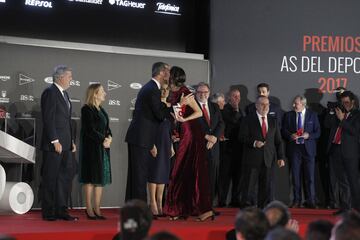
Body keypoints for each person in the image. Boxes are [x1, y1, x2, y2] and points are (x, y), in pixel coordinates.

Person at [164, 66, 214, 221]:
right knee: (182, 171)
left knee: (187, 170)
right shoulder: (171, 92)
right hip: (184, 133)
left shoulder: (185, 92)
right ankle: (179, 209)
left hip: (192, 134)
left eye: (168, 73)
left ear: (173, 76)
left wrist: (184, 119)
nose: (165, 75)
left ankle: (201, 210)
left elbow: (198, 112)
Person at [125, 62, 171, 202]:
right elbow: (159, 114)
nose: (169, 75)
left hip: (140, 137)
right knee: (140, 175)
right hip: (141, 138)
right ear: (162, 73)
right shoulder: (152, 89)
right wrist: (172, 106)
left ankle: (133, 206)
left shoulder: (149, 87)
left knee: (136, 175)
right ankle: (141, 209)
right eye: (168, 72)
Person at [40, 65, 77, 221]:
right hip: (53, 145)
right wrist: (55, 140)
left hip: (67, 144)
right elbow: (48, 119)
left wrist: (71, 141)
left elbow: (66, 120)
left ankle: (62, 210)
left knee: (64, 179)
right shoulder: (50, 93)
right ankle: (48, 212)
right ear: (60, 77)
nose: (71, 79)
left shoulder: (65, 94)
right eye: (69, 76)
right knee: (50, 178)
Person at [239, 96, 285, 209]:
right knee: (249, 187)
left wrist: (281, 157)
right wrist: (254, 143)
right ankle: (247, 210)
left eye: (267, 104)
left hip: (268, 160)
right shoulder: (247, 119)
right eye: (262, 104)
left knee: (265, 187)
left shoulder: (273, 121)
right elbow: (242, 137)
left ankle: (262, 209)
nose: (265, 107)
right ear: (256, 105)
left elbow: (278, 141)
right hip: (252, 160)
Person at [79, 84, 112, 220]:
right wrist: (103, 139)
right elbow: (89, 130)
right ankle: (89, 209)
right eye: (102, 91)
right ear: (95, 94)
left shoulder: (102, 110)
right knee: (90, 178)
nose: (105, 93)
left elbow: (107, 128)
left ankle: (97, 208)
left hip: (102, 149)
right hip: (91, 149)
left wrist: (109, 137)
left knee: (100, 179)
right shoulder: (87, 109)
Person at [324, 90, 360, 215]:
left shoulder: (357, 115)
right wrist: (331, 112)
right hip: (335, 150)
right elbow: (327, 124)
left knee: (353, 181)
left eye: (347, 102)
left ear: (353, 102)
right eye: (342, 102)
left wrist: (342, 120)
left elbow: (355, 132)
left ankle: (356, 208)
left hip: (350, 154)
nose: (344, 105)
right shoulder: (338, 113)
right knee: (342, 181)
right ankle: (345, 208)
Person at [282, 95, 320, 208]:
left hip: (308, 150)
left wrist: (309, 135)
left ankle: (311, 201)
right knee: (295, 177)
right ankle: (296, 200)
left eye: (296, 103)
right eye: (294, 103)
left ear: (303, 104)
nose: (294, 105)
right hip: (294, 150)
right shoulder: (288, 115)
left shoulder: (312, 115)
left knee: (310, 177)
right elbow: (283, 130)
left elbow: (318, 132)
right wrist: (290, 135)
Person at [195, 82, 225, 206]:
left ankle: (208, 206)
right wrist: (206, 137)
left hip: (213, 148)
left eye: (205, 92)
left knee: (212, 177)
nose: (203, 94)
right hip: (197, 147)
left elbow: (221, 124)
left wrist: (214, 137)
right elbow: (189, 126)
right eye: (200, 92)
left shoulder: (214, 106)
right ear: (196, 93)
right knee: (198, 177)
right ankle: (196, 205)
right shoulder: (191, 106)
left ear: (209, 93)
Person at [147, 82, 173, 217]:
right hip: (155, 143)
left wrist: (172, 146)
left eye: (166, 90)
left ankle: (160, 202)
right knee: (154, 173)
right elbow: (148, 127)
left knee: (163, 175)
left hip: (166, 143)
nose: (164, 92)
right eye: (162, 89)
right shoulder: (153, 106)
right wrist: (151, 144)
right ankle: (152, 203)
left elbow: (170, 129)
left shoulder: (169, 107)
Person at [218, 88, 244, 207]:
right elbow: (233, 121)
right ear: (229, 97)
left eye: (238, 96)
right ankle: (222, 200)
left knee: (238, 176)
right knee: (225, 176)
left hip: (239, 149)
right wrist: (236, 110)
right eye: (234, 96)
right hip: (226, 149)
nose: (237, 98)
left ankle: (235, 200)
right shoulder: (224, 110)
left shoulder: (242, 111)